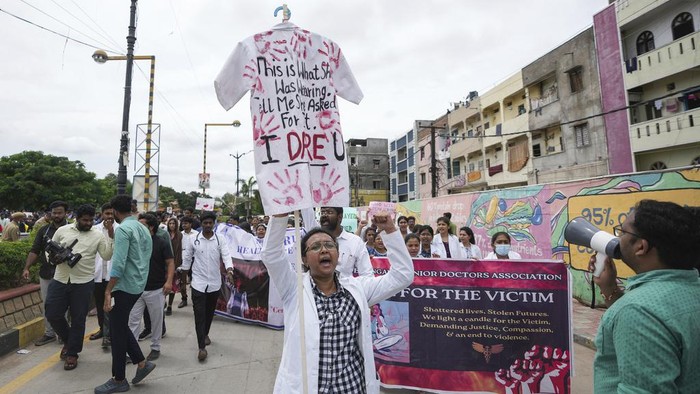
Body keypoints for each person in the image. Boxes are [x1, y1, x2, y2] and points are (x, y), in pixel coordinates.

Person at [261, 212, 414, 393]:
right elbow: (271, 255)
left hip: (352, 387)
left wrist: (389, 230)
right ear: (304, 259)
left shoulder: (357, 289)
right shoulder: (293, 288)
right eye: (315, 247)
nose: (324, 250)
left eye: (329, 245)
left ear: (338, 254)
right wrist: (279, 217)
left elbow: (402, 276)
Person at [590, 200, 700, 392]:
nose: (618, 238)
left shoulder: (638, 311)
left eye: (623, 232)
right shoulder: (691, 287)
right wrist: (609, 289)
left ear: (641, 247)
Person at [95, 195, 155, 394]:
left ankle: (119, 379)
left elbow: (118, 264)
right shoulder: (143, 228)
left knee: (117, 332)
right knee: (118, 326)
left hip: (124, 285)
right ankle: (141, 363)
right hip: (138, 284)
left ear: (114, 211)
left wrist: (108, 290)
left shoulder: (124, 230)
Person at [44, 204, 114, 371]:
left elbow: (106, 255)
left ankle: (72, 353)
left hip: (83, 283)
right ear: (77, 218)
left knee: (78, 319)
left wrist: (111, 237)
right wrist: (53, 258)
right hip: (60, 279)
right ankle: (69, 340)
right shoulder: (63, 230)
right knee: (52, 313)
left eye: (90, 220)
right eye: (84, 220)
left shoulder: (97, 235)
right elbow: (49, 249)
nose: (88, 223)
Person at [180, 211, 234, 361]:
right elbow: (186, 259)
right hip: (198, 282)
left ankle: (205, 334)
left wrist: (229, 270)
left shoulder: (220, 239)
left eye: (211, 223)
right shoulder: (193, 239)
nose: (208, 225)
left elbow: (226, 255)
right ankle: (201, 347)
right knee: (199, 314)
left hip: (215, 283)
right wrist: (183, 281)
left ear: (214, 224)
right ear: (201, 224)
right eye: (205, 223)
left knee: (209, 313)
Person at [22, 201, 69, 346]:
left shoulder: (72, 229)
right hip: (47, 273)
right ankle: (49, 333)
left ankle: (63, 334)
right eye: (54, 212)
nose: (56, 215)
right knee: (47, 304)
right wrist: (27, 267)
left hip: (67, 274)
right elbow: (35, 250)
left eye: (60, 212)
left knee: (64, 305)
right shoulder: (44, 231)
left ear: (66, 213)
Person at [129, 213, 174, 362]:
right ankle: (132, 351)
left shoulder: (161, 242)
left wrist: (169, 282)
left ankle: (155, 348)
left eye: (142, 225)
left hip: (156, 289)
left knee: (156, 320)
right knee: (133, 321)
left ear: (151, 227)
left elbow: (170, 263)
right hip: (136, 288)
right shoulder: (134, 242)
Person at [90, 203, 118, 348]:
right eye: (107, 214)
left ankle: (108, 335)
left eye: (112, 214)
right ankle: (103, 330)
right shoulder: (94, 230)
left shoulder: (120, 229)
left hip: (113, 277)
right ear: (101, 214)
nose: (110, 217)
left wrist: (111, 231)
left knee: (111, 306)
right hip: (98, 274)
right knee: (100, 305)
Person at [319, 207, 373, 277]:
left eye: (329, 212)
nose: (324, 215)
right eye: (322, 212)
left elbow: (367, 274)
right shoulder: (315, 240)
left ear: (340, 217)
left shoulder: (355, 241)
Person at [178, 216, 199, 309]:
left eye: (186, 223)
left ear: (190, 224)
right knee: (182, 281)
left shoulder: (197, 234)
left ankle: (196, 299)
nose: (184, 225)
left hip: (194, 259)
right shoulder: (180, 234)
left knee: (195, 280)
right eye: (182, 223)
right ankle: (184, 299)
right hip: (182, 259)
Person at [165, 217, 183, 315]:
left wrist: (177, 265)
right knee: (163, 285)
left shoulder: (179, 235)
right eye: (170, 223)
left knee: (172, 287)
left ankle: (170, 306)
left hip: (175, 264)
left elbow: (179, 251)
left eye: (173, 224)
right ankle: (163, 302)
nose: (172, 225)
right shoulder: (165, 235)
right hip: (164, 264)